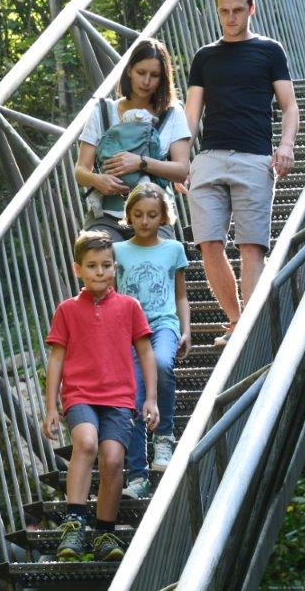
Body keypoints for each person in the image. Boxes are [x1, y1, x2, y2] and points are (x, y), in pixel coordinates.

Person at [184, 0, 299, 347]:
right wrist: (181, 160)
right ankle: (236, 322)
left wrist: (286, 145)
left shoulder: (270, 51)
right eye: (224, 11)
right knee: (208, 243)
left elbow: (289, 105)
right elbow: (191, 114)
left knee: (251, 246)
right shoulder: (205, 56)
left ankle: (249, 331)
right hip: (209, 157)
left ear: (251, 9)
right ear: (217, 12)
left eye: (237, 10)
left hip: (254, 158)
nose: (231, 18)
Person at [41, 231, 159, 562]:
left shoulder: (130, 307)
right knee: (86, 443)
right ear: (78, 269)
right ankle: (74, 523)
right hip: (80, 394)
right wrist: (51, 407)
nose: (100, 271)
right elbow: (56, 359)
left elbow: (146, 352)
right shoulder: (66, 310)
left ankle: (105, 531)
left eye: (106, 265)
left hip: (119, 398)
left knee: (113, 459)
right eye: (92, 266)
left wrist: (150, 398)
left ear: (114, 267)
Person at [114, 183, 190, 500]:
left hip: (163, 324)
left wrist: (186, 329)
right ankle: (137, 475)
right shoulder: (117, 251)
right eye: (139, 214)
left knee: (160, 363)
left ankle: (164, 437)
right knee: (132, 396)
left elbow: (181, 295)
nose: (145, 221)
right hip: (129, 332)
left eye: (152, 215)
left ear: (163, 217)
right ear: (129, 216)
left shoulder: (174, 249)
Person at [75, 38, 191, 242]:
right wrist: (97, 180)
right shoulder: (103, 111)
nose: (146, 81)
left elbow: (182, 170)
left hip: (154, 216)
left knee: (158, 258)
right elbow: (81, 170)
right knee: (96, 252)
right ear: (129, 70)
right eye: (141, 72)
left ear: (163, 78)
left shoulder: (172, 113)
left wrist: (141, 163)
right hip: (106, 216)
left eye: (154, 75)